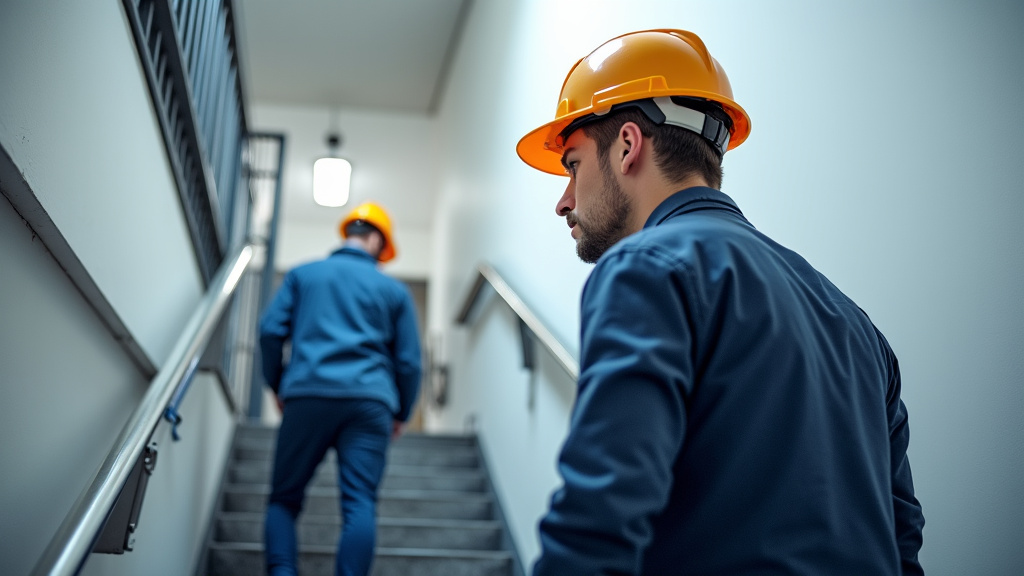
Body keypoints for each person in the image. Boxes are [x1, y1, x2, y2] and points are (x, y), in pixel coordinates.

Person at [516, 29, 925, 575]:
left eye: (572, 165)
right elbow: (902, 538)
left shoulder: (645, 272)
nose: (564, 201)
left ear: (628, 146)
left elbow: (598, 519)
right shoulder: (857, 326)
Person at [258, 201, 422, 576]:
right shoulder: (393, 291)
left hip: (307, 394)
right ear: (380, 241)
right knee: (359, 502)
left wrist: (279, 385)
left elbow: (269, 332)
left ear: (348, 233)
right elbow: (410, 362)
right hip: (370, 402)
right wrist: (401, 413)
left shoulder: (303, 275)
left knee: (283, 500)